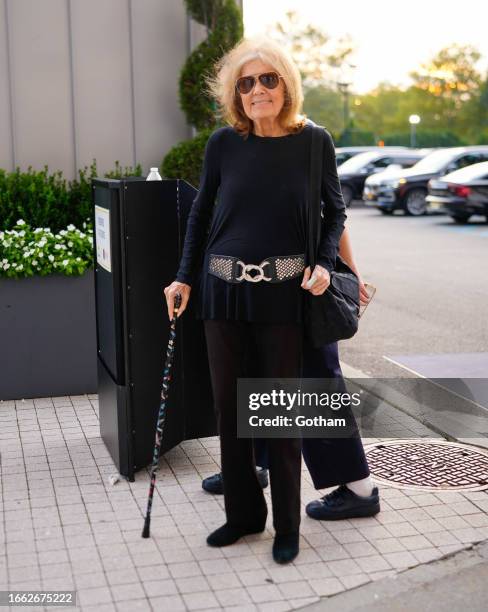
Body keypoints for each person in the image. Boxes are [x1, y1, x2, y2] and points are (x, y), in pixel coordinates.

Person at [165, 36, 346, 564]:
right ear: (235, 94)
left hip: (281, 296)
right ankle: (243, 516)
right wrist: (183, 279)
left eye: (268, 79)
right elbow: (200, 217)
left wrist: (324, 265)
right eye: (246, 83)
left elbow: (334, 213)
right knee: (230, 412)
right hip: (221, 292)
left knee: (279, 416)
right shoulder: (223, 143)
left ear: (286, 84)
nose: (257, 89)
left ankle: (287, 526)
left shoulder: (315, 143)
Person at [201, 227, 381, 521]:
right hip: (264, 280)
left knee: (316, 378)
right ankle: (255, 464)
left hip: (303, 282)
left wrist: (350, 272)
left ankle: (360, 488)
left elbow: (336, 216)